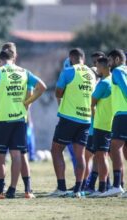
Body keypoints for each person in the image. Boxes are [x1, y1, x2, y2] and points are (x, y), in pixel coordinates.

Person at [0, 49, 46, 199]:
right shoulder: (24, 72)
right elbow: (42, 87)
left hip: (1, 119)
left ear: (0, 60)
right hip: (19, 119)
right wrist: (27, 102)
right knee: (16, 154)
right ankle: (12, 189)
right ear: (13, 59)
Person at [50, 48, 96, 198]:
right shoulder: (91, 73)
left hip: (69, 118)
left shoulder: (69, 71)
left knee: (56, 150)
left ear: (71, 58)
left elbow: (58, 92)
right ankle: (78, 189)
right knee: (80, 155)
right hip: (86, 119)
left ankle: (62, 188)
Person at [0, 42, 36, 199]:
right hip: (16, 118)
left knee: (20, 155)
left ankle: (26, 189)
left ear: (15, 56)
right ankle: (20, 189)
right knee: (17, 155)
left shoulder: (22, 73)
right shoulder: (20, 73)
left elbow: (30, 95)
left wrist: (25, 108)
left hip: (16, 119)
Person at [100, 49, 127, 197]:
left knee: (115, 147)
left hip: (123, 115)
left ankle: (117, 185)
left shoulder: (117, 72)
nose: (108, 64)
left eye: (109, 60)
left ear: (116, 60)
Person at [84, 57, 112, 197]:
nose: (97, 69)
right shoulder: (114, 81)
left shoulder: (103, 83)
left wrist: (95, 118)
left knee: (101, 157)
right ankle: (106, 186)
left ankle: (102, 189)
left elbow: (92, 102)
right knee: (104, 156)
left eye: (98, 67)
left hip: (101, 124)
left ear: (103, 67)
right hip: (111, 123)